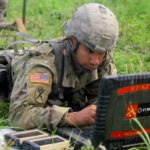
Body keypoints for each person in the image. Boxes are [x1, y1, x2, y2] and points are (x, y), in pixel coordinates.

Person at [8, 3, 118, 131]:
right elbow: (18, 115)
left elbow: (104, 100)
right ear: (72, 41)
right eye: (89, 51)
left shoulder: (102, 57)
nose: (95, 60)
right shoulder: (42, 63)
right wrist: (72, 118)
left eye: (101, 53)